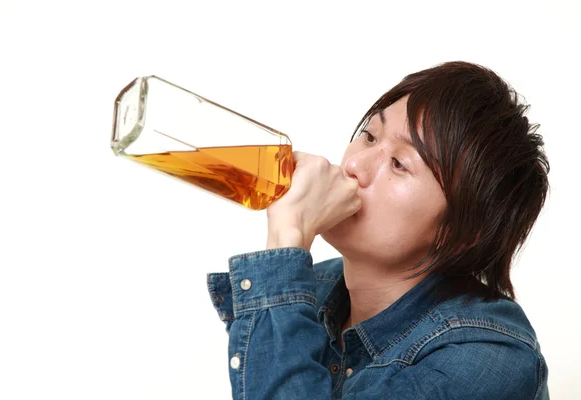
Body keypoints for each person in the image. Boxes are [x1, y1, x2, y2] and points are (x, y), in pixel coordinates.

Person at [207, 61, 550, 399]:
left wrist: (287, 236)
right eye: (369, 136)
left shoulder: (489, 360)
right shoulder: (317, 287)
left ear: (459, 233)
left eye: (399, 164)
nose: (354, 165)